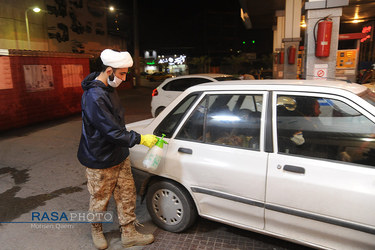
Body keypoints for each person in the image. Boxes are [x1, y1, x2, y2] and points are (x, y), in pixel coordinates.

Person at [77, 49, 157, 249]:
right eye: (122, 74)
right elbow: (111, 131)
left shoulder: (108, 88)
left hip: (119, 153)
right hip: (100, 157)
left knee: (127, 193)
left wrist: (130, 137)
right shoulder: (94, 96)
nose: (124, 78)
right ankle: (96, 230)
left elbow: (116, 125)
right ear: (109, 70)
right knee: (100, 198)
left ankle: (128, 233)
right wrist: (140, 138)